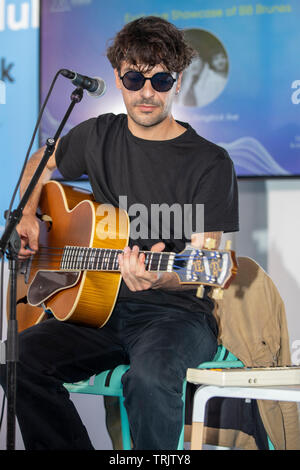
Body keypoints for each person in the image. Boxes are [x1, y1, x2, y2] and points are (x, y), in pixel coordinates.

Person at [0, 16, 239, 450]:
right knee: (19, 361)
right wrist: (29, 215)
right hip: (99, 309)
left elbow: (206, 265)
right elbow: (41, 162)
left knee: (146, 380)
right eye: (135, 78)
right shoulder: (98, 134)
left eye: (161, 80)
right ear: (118, 77)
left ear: (178, 81)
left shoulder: (211, 162)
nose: (147, 92)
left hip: (175, 313)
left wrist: (161, 276)